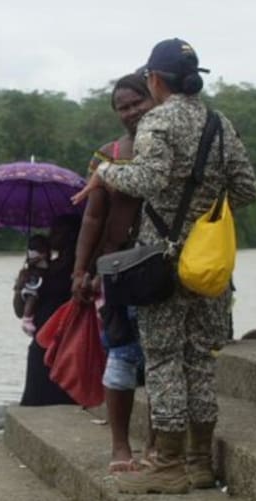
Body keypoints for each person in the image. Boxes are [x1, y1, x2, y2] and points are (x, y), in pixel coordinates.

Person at [72, 38, 256, 493]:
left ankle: (168, 466)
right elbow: (247, 189)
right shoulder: (219, 123)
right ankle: (199, 463)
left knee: (164, 360)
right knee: (200, 360)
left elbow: (149, 178)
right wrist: (202, 208)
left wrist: (106, 173)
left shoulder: (158, 121)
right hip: (209, 264)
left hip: (165, 264)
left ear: (155, 79)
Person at [70, 73, 156, 474]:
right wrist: (80, 272)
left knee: (162, 360)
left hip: (164, 267)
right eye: (122, 107)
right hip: (119, 270)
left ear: (153, 98)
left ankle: (158, 445)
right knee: (121, 355)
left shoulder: (171, 150)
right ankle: (121, 447)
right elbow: (93, 219)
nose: (130, 112)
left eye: (136, 102)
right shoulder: (109, 155)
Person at [14, 224, 78, 406]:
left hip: (63, 339)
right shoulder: (42, 270)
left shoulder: (73, 271)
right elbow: (20, 311)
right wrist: (21, 284)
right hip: (43, 338)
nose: (51, 235)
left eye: (57, 231)